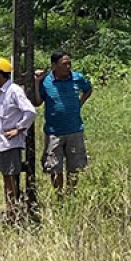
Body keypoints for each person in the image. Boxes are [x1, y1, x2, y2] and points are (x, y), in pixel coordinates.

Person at [33, 50, 93, 191]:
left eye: (69, 64)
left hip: (74, 130)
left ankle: (72, 194)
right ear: (54, 65)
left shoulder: (77, 78)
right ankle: (59, 195)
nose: (68, 67)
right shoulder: (46, 81)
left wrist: (80, 103)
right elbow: (37, 102)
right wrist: (36, 83)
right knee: (54, 167)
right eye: (64, 64)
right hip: (54, 132)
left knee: (75, 167)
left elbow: (88, 89)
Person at [0, 57, 36, 220]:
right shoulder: (2, 92)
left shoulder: (13, 91)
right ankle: (10, 210)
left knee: (10, 181)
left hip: (9, 144)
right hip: (0, 144)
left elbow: (30, 112)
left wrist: (19, 129)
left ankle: (12, 213)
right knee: (7, 179)